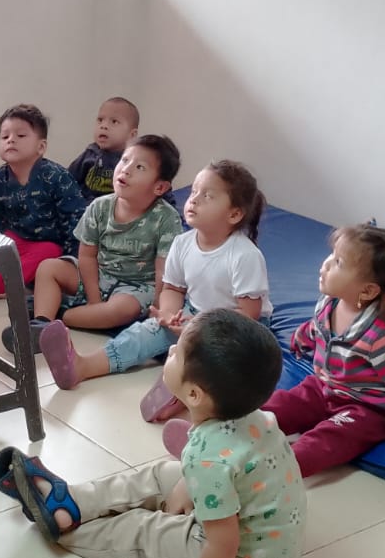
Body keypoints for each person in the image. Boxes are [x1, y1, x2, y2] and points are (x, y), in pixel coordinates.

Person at [0, 309, 302, 558]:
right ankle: (77, 500)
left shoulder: (209, 458)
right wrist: (189, 484)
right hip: (262, 544)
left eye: (178, 353)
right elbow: (231, 473)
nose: (170, 350)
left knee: (143, 530)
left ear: (194, 395)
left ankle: (63, 527)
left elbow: (223, 544)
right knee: (161, 474)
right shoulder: (255, 417)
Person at [169, 225, 385, 474]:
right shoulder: (330, 303)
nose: (325, 264)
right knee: (271, 409)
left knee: (324, 441)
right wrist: (302, 339)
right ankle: (212, 439)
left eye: (338, 263)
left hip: (367, 409)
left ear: (367, 291)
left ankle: (263, 470)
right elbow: (317, 329)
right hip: (323, 388)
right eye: (331, 256)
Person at [40, 160, 270, 403]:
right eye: (194, 192)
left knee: (215, 356)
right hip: (194, 313)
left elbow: (249, 314)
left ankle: (180, 397)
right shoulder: (182, 243)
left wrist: (200, 326)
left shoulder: (244, 255)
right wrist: (169, 314)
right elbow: (173, 288)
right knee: (144, 332)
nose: (194, 200)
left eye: (208, 196)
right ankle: (82, 367)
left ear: (234, 214)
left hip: (237, 325)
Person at [26, 135, 183, 360]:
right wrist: (94, 299)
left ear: (159, 187)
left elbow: (163, 270)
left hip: (135, 287)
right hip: (97, 273)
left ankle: (60, 316)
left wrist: (157, 307)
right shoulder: (99, 207)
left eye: (139, 167)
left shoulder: (166, 218)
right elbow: (87, 256)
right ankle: (41, 323)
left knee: (122, 310)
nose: (126, 169)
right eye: (125, 160)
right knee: (48, 268)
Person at [0, 104, 85, 305]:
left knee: (48, 254)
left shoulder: (57, 177)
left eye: (20, 135)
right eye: (5, 136)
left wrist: (73, 261)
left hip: (47, 245)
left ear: (41, 147)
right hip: (15, 240)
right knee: (1, 245)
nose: (11, 140)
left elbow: (75, 220)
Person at [64, 96, 141, 202]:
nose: (104, 126)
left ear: (132, 135)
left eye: (114, 122)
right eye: (100, 120)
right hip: (84, 207)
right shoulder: (90, 153)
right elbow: (68, 179)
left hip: (113, 208)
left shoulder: (132, 162)